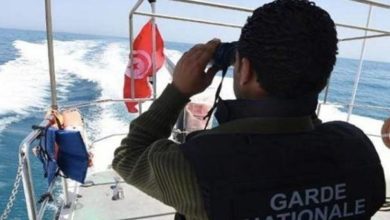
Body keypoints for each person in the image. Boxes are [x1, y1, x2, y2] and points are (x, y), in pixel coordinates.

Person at [112, 0, 386, 219]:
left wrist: (179, 91)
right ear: (324, 79)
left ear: (244, 70)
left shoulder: (197, 166)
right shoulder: (356, 148)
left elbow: (130, 156)